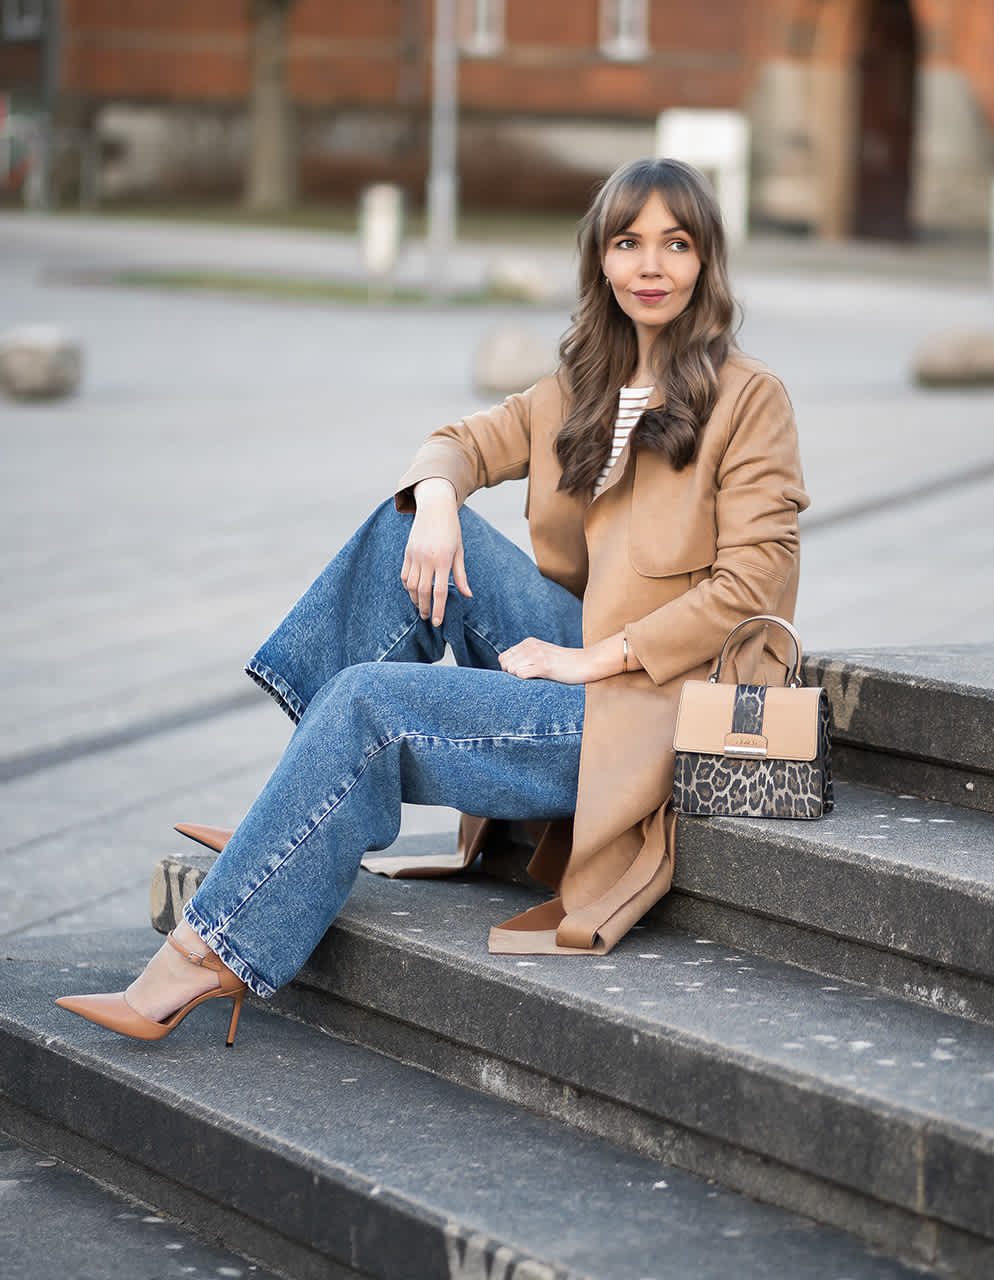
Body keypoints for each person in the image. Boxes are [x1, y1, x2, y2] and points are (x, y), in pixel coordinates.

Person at [56, 157, 808, 1044]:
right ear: (600, 262)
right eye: (628, 242)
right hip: (575, 662)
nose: (652, 265)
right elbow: (456, 443)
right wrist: (442, 503)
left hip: (652, 708)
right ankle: (294, 808)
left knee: (372, 703)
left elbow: (752, 582)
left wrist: (594, 658)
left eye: (675, 244)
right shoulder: (582, 389)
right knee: (401, 523)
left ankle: (205, 954)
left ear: (705, 261)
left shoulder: (750, 398)